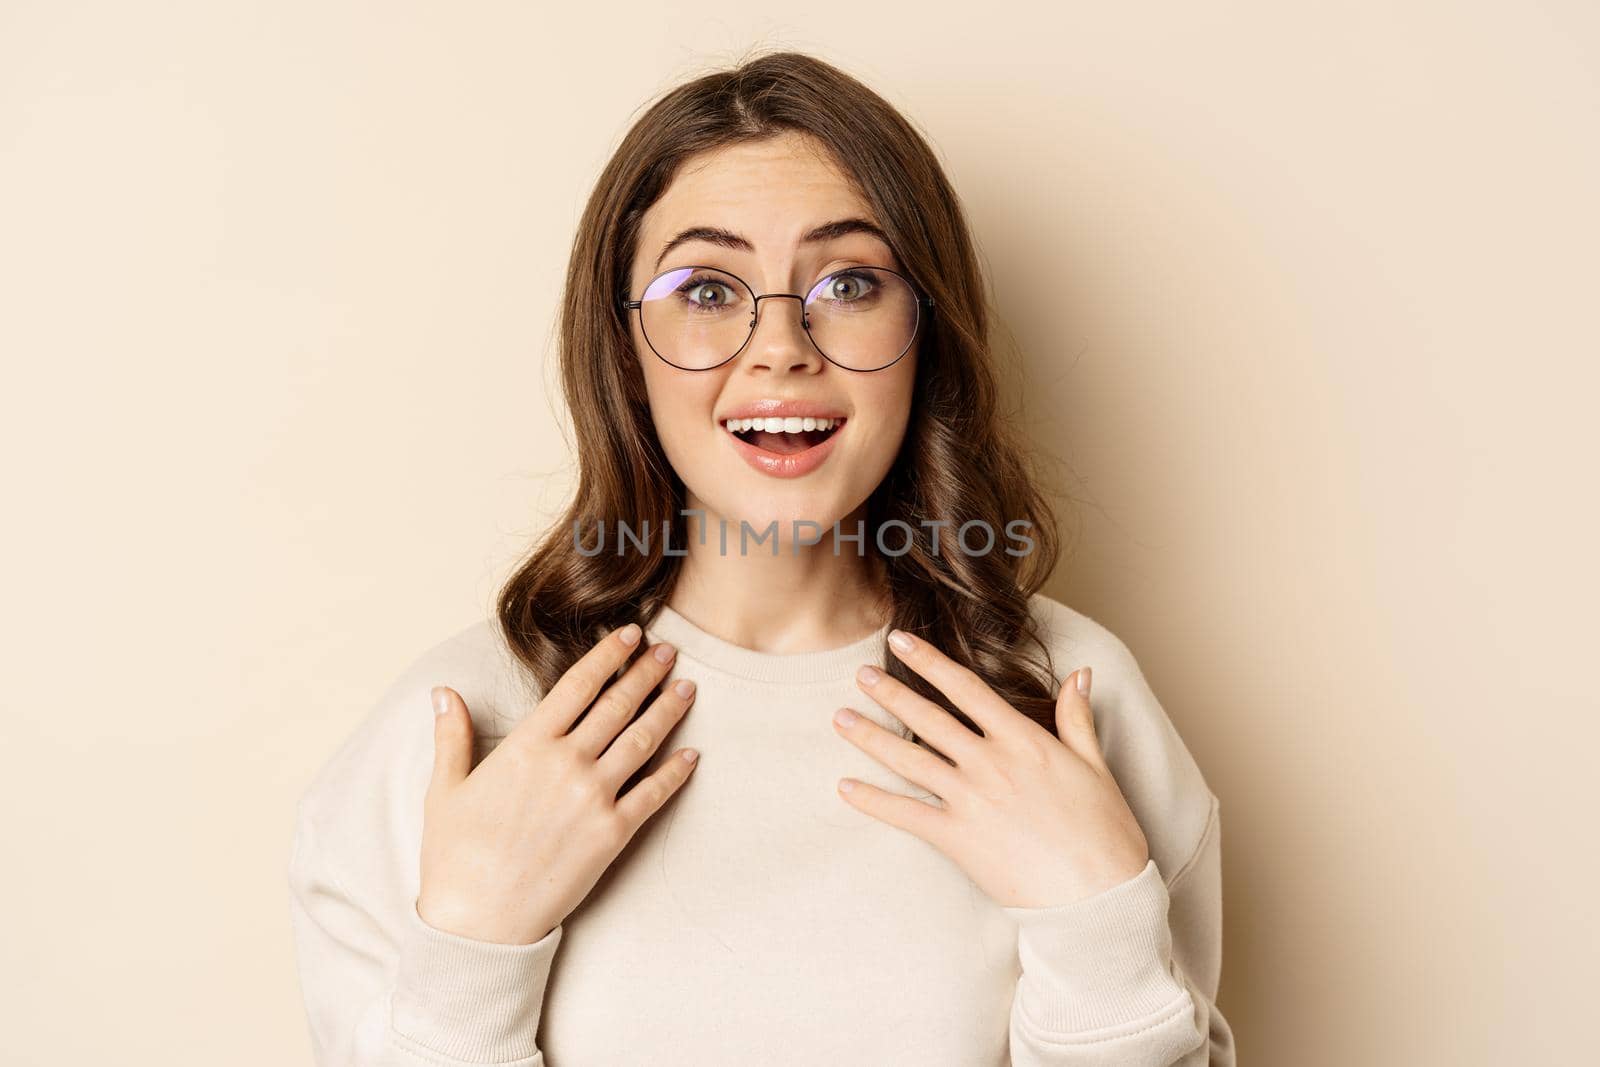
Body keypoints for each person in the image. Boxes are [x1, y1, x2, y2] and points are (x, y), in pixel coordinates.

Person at [287, 50, 1236, 1066]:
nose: (780, 344)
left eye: (849, 281)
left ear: (927, 333)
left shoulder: (1070, 701)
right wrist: (469, 951)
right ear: (622, 348)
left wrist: (1097, 925)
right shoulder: (466, 727)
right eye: (705, 288)